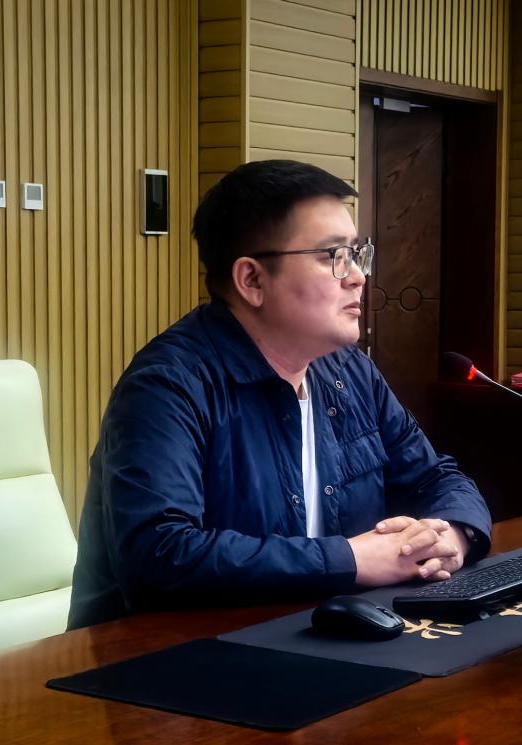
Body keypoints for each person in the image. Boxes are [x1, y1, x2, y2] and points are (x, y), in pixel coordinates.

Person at [67, 160, 492, 629]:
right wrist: (351, 559)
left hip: (315, 634)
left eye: (356, 253)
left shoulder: (349, 371)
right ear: (252, 280)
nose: (358, 276)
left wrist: (452, 534)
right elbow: (158, 554)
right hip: (168, 653)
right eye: (333, 256)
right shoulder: (168, 385)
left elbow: (435, 478)